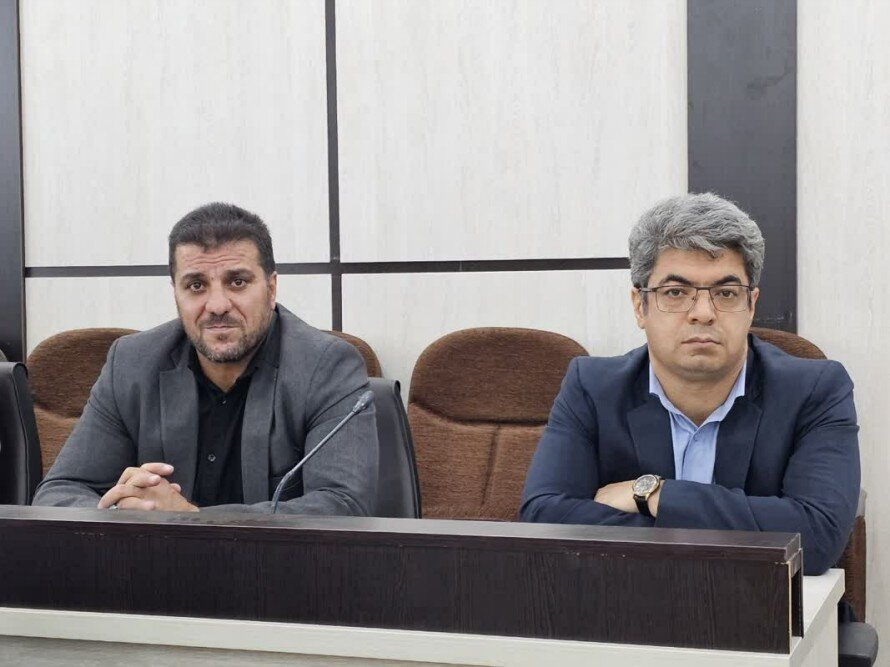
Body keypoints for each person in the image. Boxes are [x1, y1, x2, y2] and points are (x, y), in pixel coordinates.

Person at [520, 193, 859, 575]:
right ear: (640, 306)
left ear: (751, 306)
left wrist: (654, 494)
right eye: (676, 292)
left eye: (726, 293)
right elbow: (544, 519)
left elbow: (818, 537)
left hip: (765, 604)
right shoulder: (592, 388)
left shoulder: (816, 391)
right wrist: (741, 530)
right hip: (626, 598)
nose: (703, 313)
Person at [33, 203, 378, 515]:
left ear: (271, 289)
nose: (217, 305)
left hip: (276, 565)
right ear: (176, 294)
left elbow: (343, 506)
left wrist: (189, 519)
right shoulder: (132, 364)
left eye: (237, 282)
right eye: (196, 286)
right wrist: (125, 509)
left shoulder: (326, 367)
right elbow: (59, 494)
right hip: (157, 564)